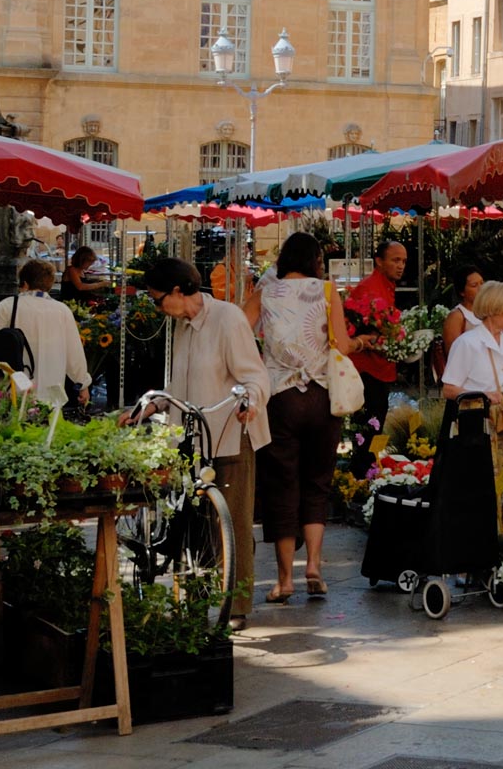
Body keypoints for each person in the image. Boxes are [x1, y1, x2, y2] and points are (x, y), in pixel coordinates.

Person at [129, 258, 271, 632]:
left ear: (179, 292)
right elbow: (179, 382)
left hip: (228, 432)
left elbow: (255, 375)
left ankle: (237, 606)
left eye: (159, 300)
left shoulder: (228, 319)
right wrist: (155, 405)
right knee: (191, 521)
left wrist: (251, 402)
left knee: (233, 524)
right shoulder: (182, 326)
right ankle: (193, 596)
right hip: (191, 437)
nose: (158, 308)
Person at [243, 233, 366, 602]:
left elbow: (238, 329)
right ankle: (314, 565)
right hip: (322, 397)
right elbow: (342, 346)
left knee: (282, 485)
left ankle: (284, 581)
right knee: (317, 482)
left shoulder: (266, 292)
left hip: (280, 398)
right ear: (315, 260)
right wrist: (359, 343)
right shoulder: (328, 292)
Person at [441, 280, 503, 533]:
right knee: (482, 482)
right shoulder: (467, 343)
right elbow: (449, 389)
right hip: (477, 421)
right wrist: (482, 394)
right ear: (493, 308)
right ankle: (482, 537)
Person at [0, 260, 91, 404]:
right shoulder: (62, 311)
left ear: (25, 283)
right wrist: (83, 384)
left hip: (15, 387)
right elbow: (74, 353)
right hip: (52, 390)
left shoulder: (7, 306)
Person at [346, 239, 407, 477]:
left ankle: (367, 470)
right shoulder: (370, 288)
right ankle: (361, 475)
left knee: (374, 425)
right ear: (379, 262)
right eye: (395, 260)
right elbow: (359, 331)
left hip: (379, 369)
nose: (401, 266)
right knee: (369, 426)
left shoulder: (385, 286)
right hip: (367, 371)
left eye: (403, 261)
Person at [441, 264, 484, 352]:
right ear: (462, 292)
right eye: (474, 285)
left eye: (482, 283)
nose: (481, 288)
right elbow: (454, 353)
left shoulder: (486, 313)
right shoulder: (457, 316)